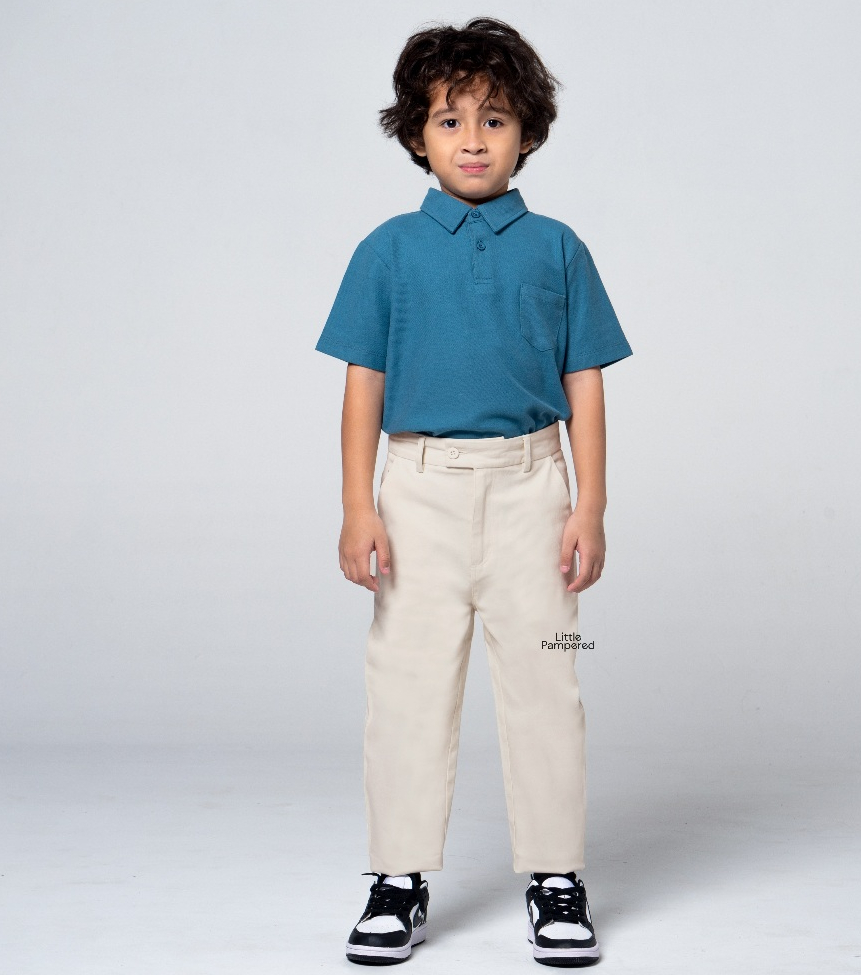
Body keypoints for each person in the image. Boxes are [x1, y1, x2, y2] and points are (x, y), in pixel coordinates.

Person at [315, 17, 632, 967]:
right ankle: (397, 877)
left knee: (547, 684)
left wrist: (588, 505)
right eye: (449, 120)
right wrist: (358, 505)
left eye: (494, 120)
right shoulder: (387, 251)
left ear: (526, 132)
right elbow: (363, 384)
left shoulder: (558, 249)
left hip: (534, 490)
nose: (472, 140)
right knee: (406, 689)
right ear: (416, 135)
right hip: (416, 495)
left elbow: (584, 381)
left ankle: (556, 876)